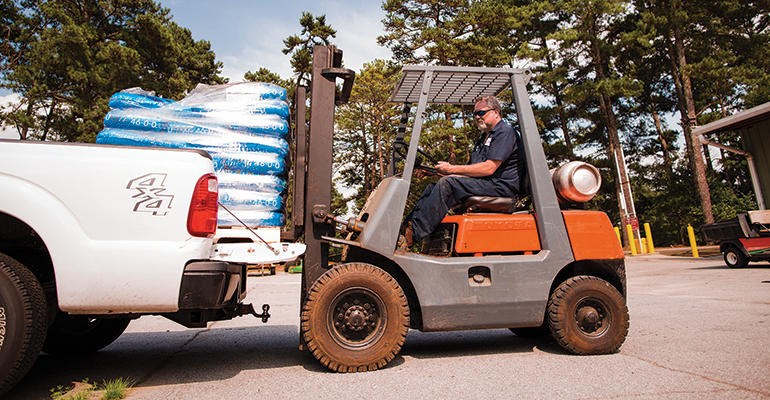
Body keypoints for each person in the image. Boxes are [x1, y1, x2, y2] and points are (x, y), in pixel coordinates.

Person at [400, 95, 526, 249]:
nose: (477, 117)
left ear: (496, 112)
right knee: (433, 187)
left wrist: (451, 169)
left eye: (481, 113)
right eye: (475, 114)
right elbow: (467, 173)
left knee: (448, 184)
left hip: (501, 187)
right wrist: (433, 172)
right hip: (486, 184)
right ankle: (403, 230)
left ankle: (411, 237)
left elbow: (489, 168)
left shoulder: (505, 132)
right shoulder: (482, 140)